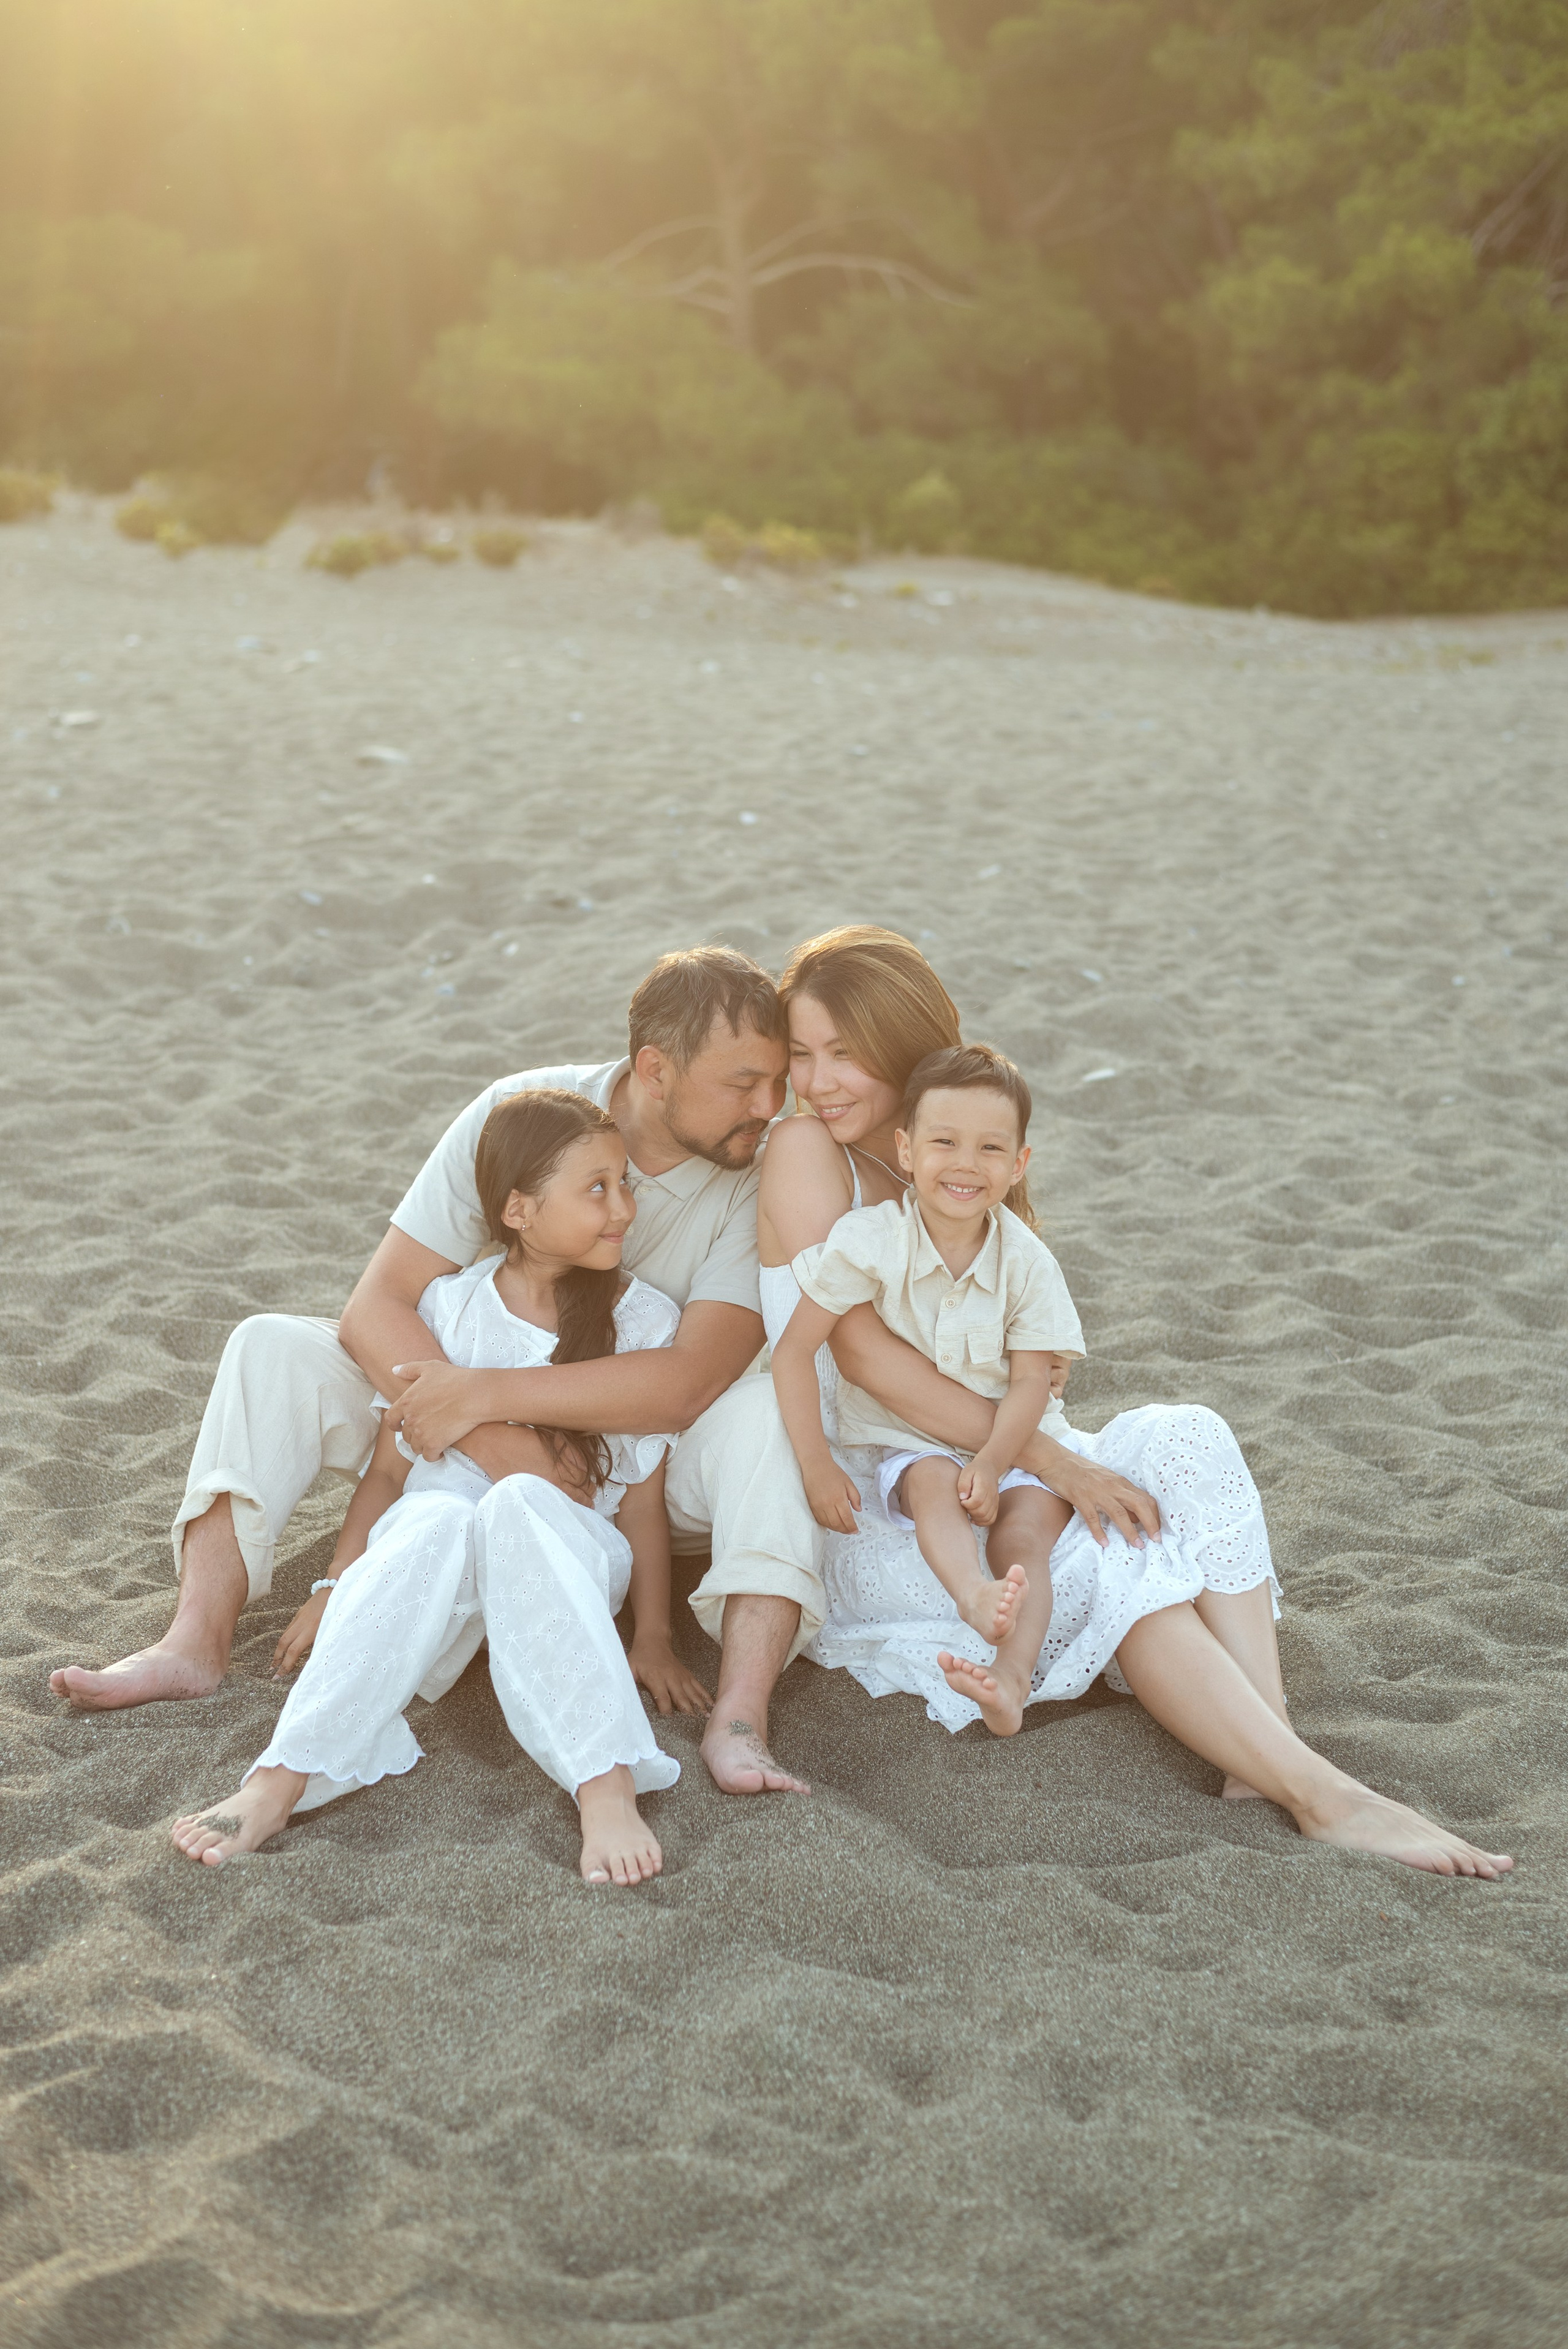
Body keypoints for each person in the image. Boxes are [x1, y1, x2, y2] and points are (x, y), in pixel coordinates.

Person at [759, 926, 1513, 1876]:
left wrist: (1049, 1445)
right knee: (1125, 1563)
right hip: (888, 1486)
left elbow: (1021, 1352)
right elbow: (865, 1359)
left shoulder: (959, 1151)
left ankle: (1263, 1744)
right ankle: (1325, 1796)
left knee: (1189, 1438)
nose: (818, 1080)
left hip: (1007, 1441)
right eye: (802, 1052)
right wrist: (1056, 1462)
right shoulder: (807, 1151)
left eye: (845, 1052)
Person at [54, 946, 826, 1798]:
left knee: (761, 1412)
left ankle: (740, 1715)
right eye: (745, 1083)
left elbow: (688, 1380)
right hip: (454, 1422)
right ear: (655, 1070)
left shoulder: (759, 1167)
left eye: (778, 1081)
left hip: (638, 1463)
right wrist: (486, 1430)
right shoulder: (522, 1113)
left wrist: (488, 1398)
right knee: (270, 1343)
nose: (771, 1106)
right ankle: (194, 1640)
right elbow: (378, 1303)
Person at [171, 1090, 707, 1885]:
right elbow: (388, 1472)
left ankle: (606, 1783)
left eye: (624, 1182)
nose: (622, 1206)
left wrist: (654, 1632)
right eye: (597, 1187)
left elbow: (639, 1499)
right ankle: (279, 1779)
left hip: (563, 1553)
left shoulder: (643, 1321)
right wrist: (331, 1585)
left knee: (518, 1500)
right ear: (518, 1207)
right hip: (435, 1579)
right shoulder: (449, 1306)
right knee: (433, 1515)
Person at [775, 1043, 1081, 1668]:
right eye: (944, 1143)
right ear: (906, 1150)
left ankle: (1014, 1678)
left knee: (1024, 1537)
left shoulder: (1026, 1260)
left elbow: (1030, 1383)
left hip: (1016, 1437)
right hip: (914, 1438)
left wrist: (995, 1463)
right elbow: (794, 1351)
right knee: (932, 1481)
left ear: (1019, 1163)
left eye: (991, 1149)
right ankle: (970, 1594)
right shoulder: (872, 1241)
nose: (965, 1165)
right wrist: (814, 1465)